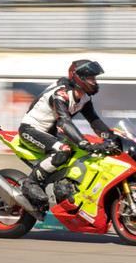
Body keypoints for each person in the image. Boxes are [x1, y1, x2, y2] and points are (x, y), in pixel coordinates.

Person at [18, 58, 114, 206]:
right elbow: (63, 122)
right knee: (64, 150)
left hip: (51, 134)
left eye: (95, 78)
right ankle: (31, 183)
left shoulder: (84, 98)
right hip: (30, 130)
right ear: (80, 78)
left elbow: (95, 121)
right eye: (91, 78)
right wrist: (83, 143)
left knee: (82, 152)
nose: (95, 82)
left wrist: (113, 138)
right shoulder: (61, 93)